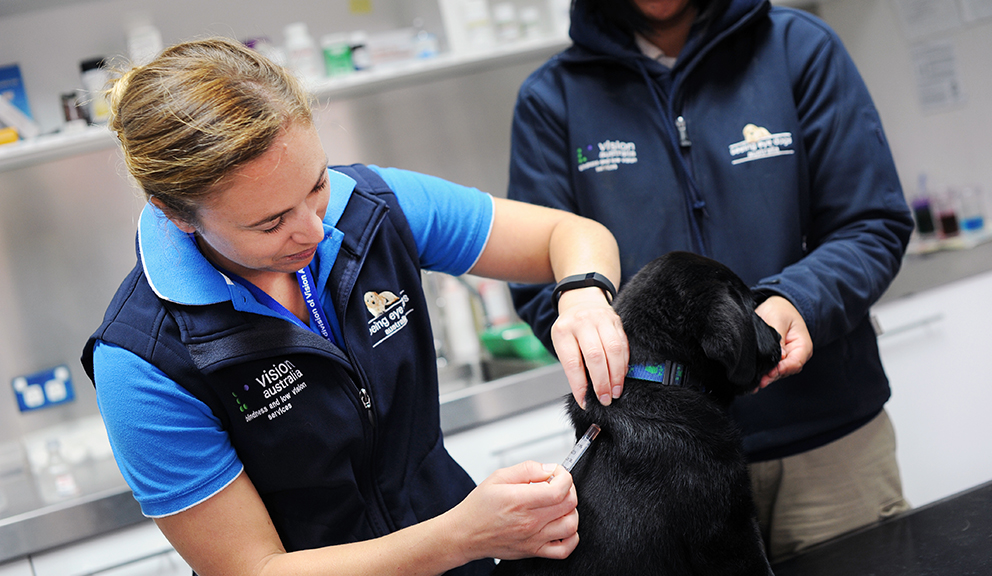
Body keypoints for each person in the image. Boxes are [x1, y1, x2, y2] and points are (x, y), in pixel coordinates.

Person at [80, 37, 630, 576]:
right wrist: (461, 535)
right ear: (176, 214)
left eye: (316, 184)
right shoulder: (143, 362)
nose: (314, 230)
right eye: (270, 222)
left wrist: (582, 295)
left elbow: (569, 234)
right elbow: (252, 570)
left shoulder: (371, 208)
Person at [507, 0, 915, 562]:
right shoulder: (552, 100)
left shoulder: (799, 49)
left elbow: (872, 223)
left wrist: (794, 301)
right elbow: (541, 283)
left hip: (824, 441)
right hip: (653, 476)